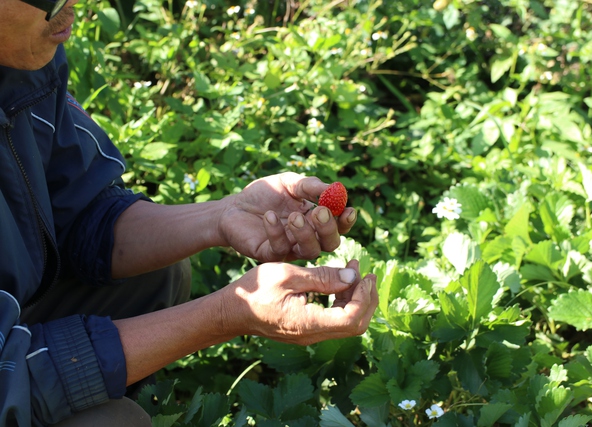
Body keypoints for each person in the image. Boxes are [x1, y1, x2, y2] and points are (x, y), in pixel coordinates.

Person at [0, 0, 379, 425]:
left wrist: (222, 215)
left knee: (157, 275)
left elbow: (78, 213)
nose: (71, 7)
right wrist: (227, 316)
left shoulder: (22, 49)